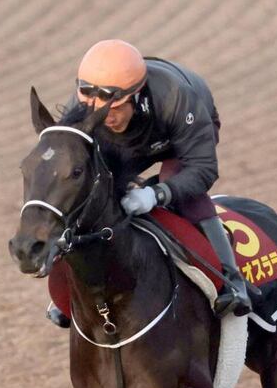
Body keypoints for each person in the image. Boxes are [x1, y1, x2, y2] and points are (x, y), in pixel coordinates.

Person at [47, 39, 252, 326]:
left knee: (178, 185)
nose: (108, 118)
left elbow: (203, 168)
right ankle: (74, 287)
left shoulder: (175, 96)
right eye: (98, 111)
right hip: (128, 143)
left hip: (176, 135)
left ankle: (232, 280)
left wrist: (156, 194)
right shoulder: (85, 108)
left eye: (116, 108)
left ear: (136, 94)